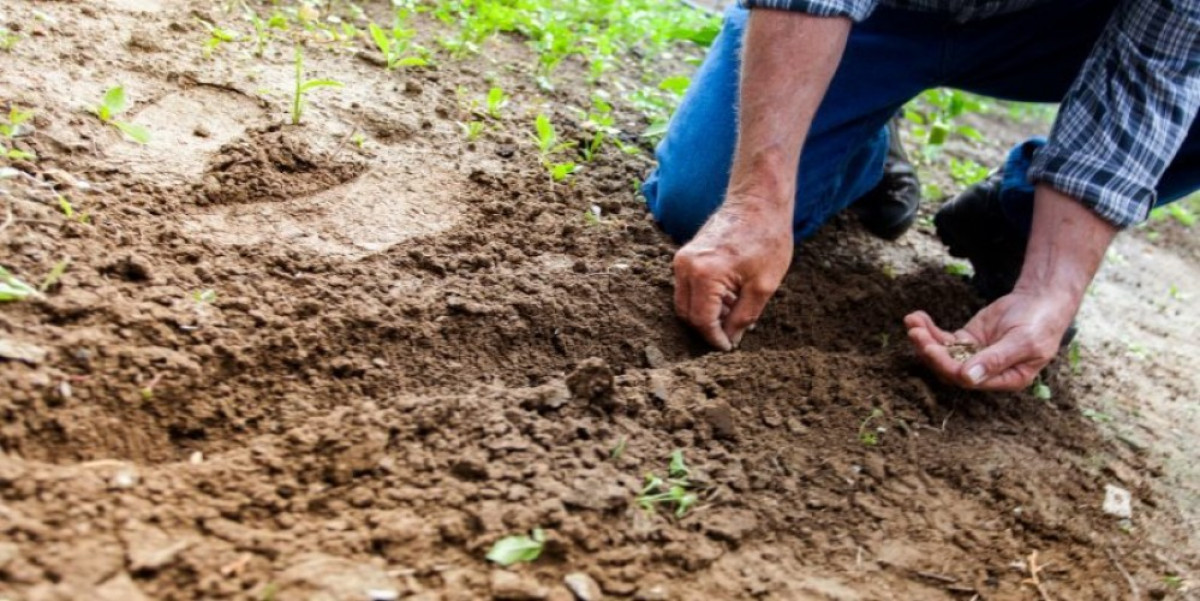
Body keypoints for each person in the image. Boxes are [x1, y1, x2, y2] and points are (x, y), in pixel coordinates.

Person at [642, 0, 1199, 392]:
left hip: (1063, 25)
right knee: (703, 201)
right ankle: (865, 143)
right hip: (880, 15)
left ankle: (1017, 220)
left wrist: (1051, 287)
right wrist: (756, 200)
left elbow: (1158, 69)